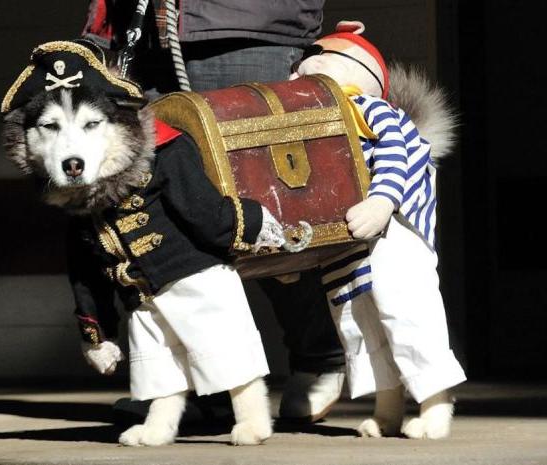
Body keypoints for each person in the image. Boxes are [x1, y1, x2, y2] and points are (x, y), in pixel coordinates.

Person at [82, 0, 346, 422]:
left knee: (265, 203)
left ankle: (318, 355)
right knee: (162, 223)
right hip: (144, 27)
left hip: (245, 25)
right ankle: (199, 387)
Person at [291, 21, 467, 438]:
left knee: (405, 308)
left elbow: (398, 153)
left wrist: (383, 200)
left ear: (352, 68)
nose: (296, 75)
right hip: (345, 245)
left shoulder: (371, 110)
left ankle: (436, 401)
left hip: (394, 232)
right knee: (359, 320)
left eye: (308, 66)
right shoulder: (318, 127)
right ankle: (388, 405)